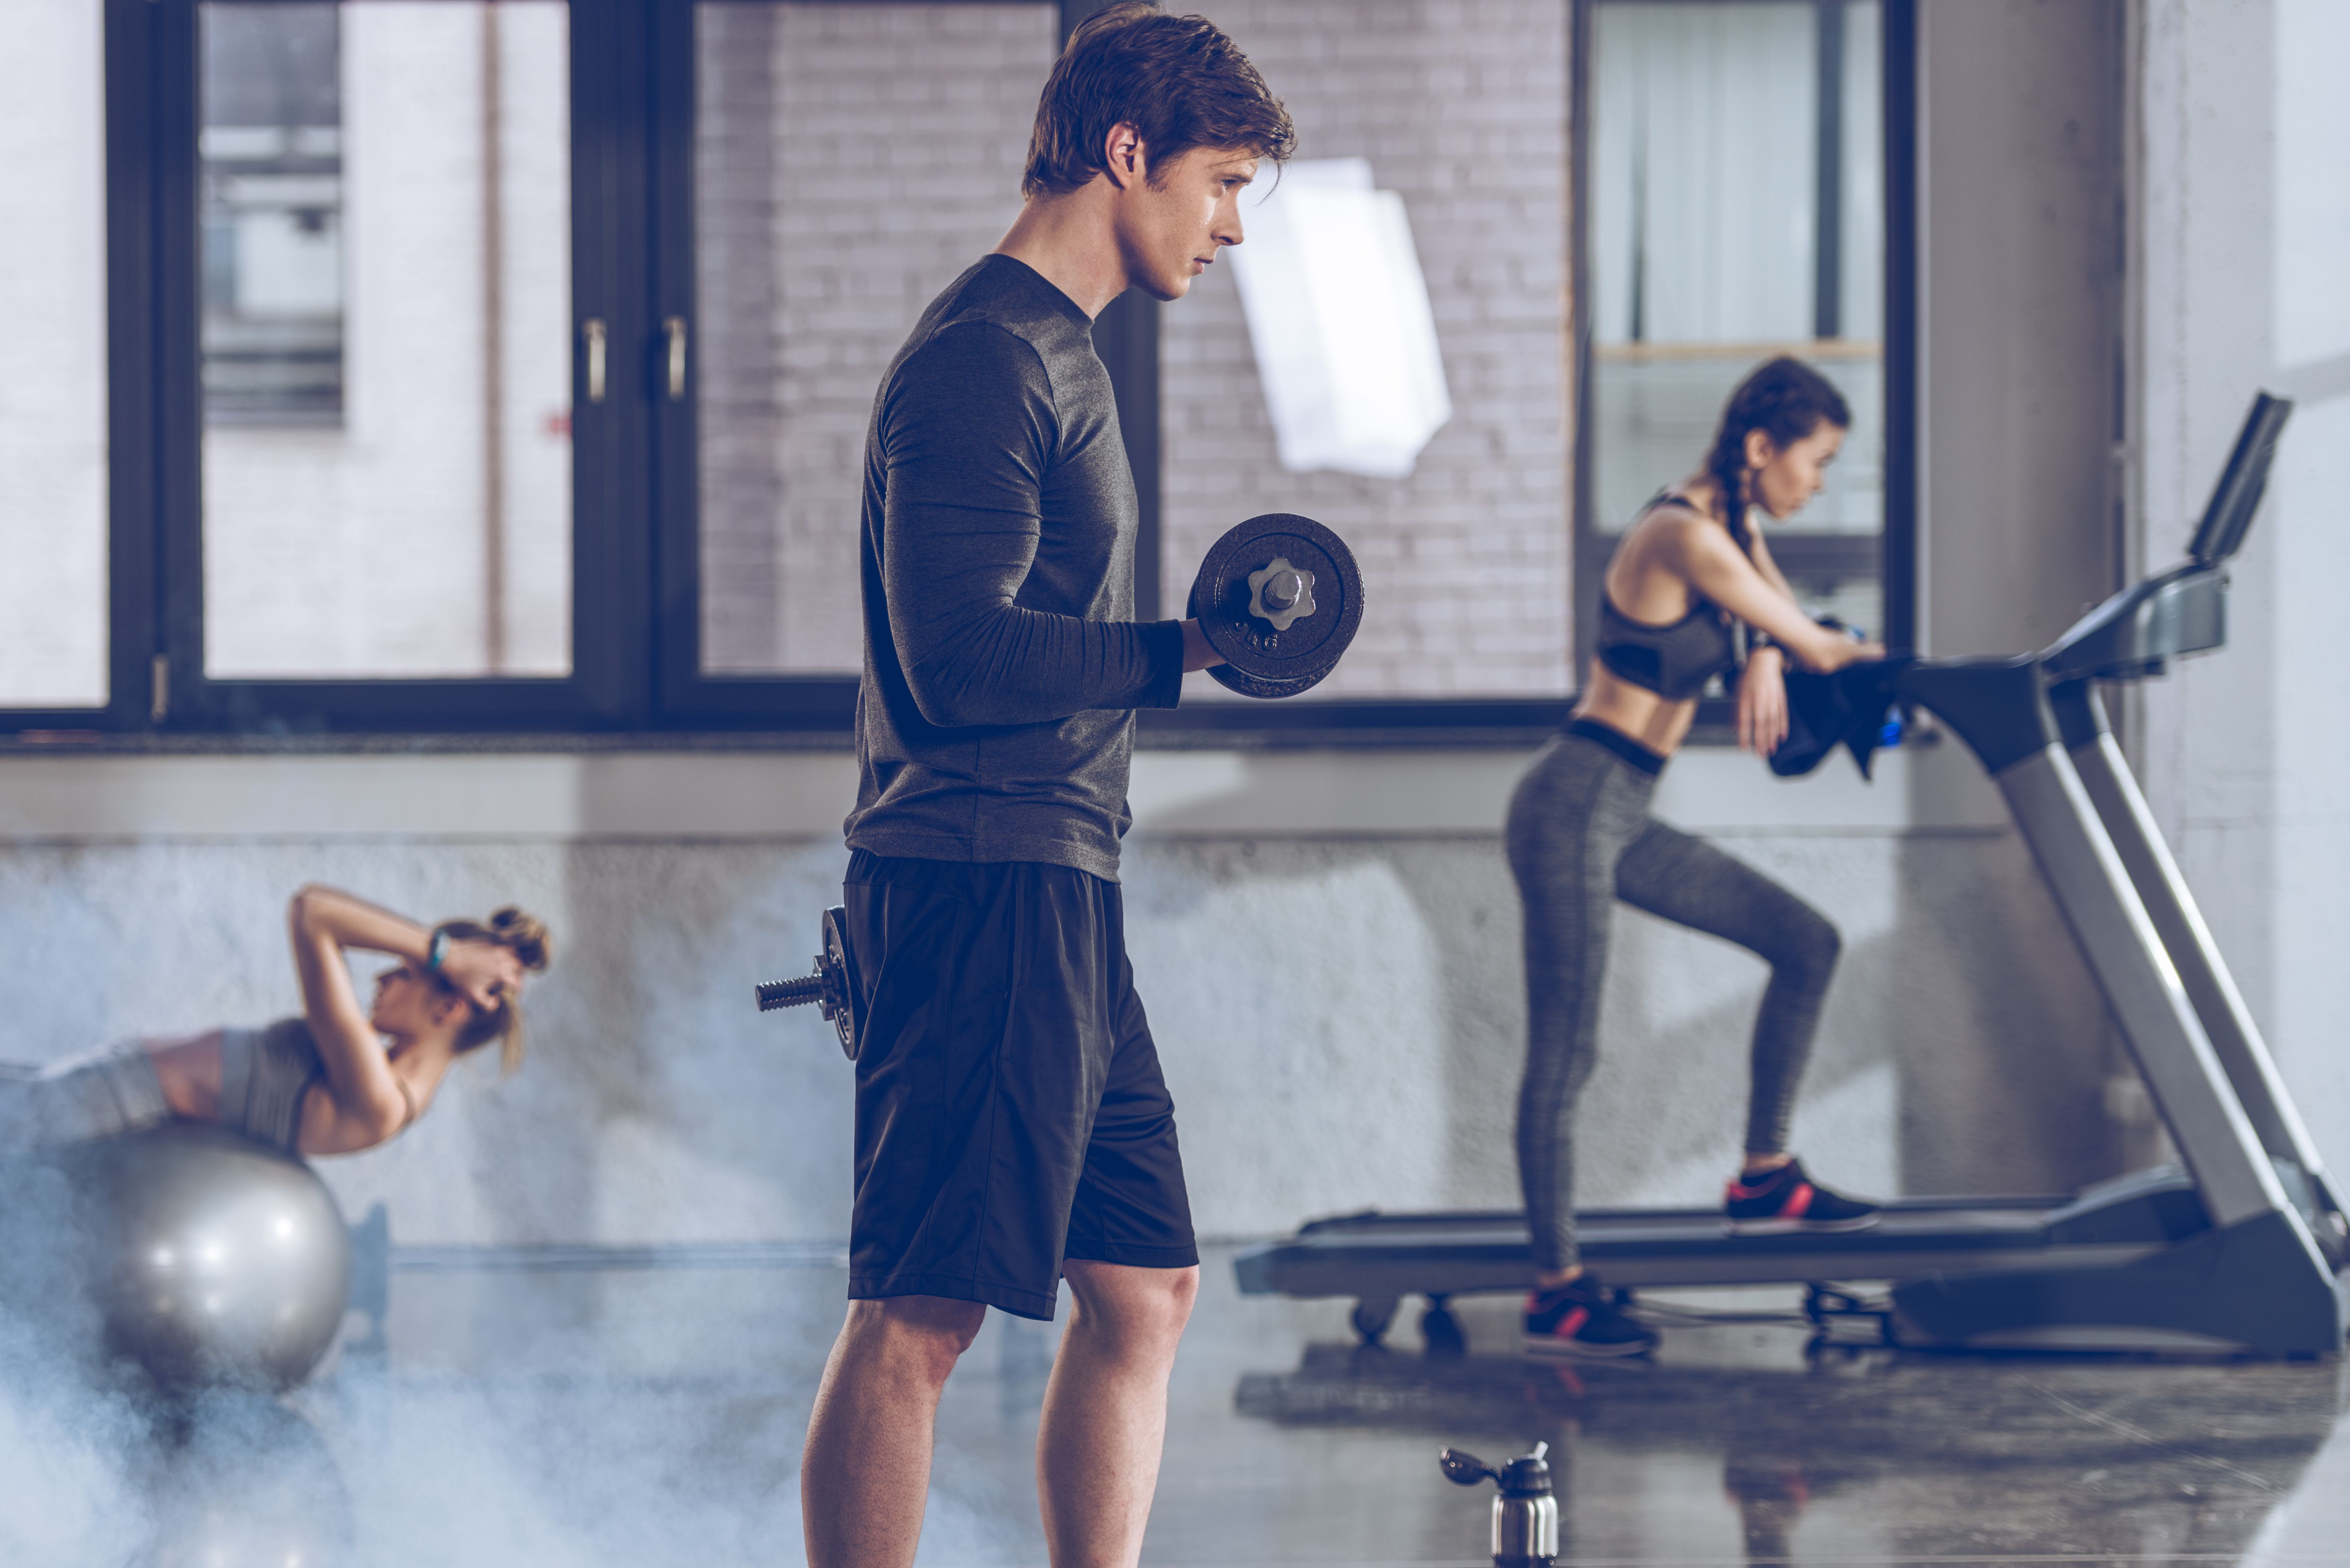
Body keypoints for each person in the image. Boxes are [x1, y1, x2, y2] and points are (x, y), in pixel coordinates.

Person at [797, 7, 1292, 1566]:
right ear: (1125, 152)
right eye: (1218, 183)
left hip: (1059, 877)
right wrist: (1187, 648)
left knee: (1143, 1281)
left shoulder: (1054, 352)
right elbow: (956, 660)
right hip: (979, 872)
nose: (1226, 227)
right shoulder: (984, 358)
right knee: (920, 1312)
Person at [1508, 356, 1887, 1359]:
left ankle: (1764, 1173)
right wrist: (1836, 650)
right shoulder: (1680, 530)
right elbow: (1811, 642)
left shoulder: (1735, 526)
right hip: (1575, 799)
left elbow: (1772, 626)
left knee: (1805, 941)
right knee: (1567, 1050)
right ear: (1762, 449)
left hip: (1624, 807)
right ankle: (1555, 1290)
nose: (1822, 483)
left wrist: (1767, 644)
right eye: (1819, 460)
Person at [0, 885, 548, 1158]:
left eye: (406, 972)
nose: (383, 978)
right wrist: (445, 957)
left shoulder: (379, 1096)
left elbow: (313, 911)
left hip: (110, 1101)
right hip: (108, 1083)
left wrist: (446, 955)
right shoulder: (377, 1074)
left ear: (449, 1008)